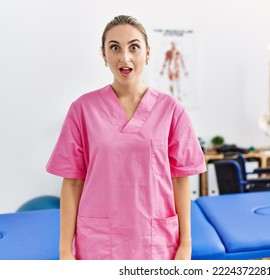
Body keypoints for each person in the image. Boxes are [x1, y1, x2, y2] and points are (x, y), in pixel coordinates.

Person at [46, 15, 206, 260]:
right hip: (98, 244)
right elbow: (73, 182)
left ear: (148, 53)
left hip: (155, 241)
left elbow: (180, 180)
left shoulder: (171, 110)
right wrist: (64, 250)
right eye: (114, 48)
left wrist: (186, 244)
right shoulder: (82, 110)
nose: (125, 57)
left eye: (134, 47)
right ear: (103, 55)